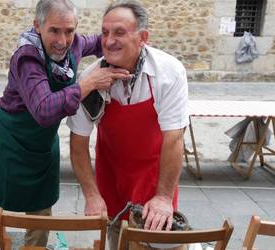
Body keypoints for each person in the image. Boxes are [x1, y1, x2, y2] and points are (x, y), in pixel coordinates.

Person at [0, 0, 130, 247]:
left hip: (42, 145)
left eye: (69, 31)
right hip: (9, 142)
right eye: (54, 31)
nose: (62, 40)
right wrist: (89, 83)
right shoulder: (27, 58)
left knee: (40, 215)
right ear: (38, 26)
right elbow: (44, 110)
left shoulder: (76, 45)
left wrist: (131, 46)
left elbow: (105, 43)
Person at [67, 1, 189, 248]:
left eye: (119, 32)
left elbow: (174, 138)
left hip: (156, 180)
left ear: (143, 37)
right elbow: (78, 141)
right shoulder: (89, 78)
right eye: (105, 32)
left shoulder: (169, 72)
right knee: (117, 242)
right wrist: (91, 195)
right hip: (111, 180)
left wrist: (164, 197)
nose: (109, 41)